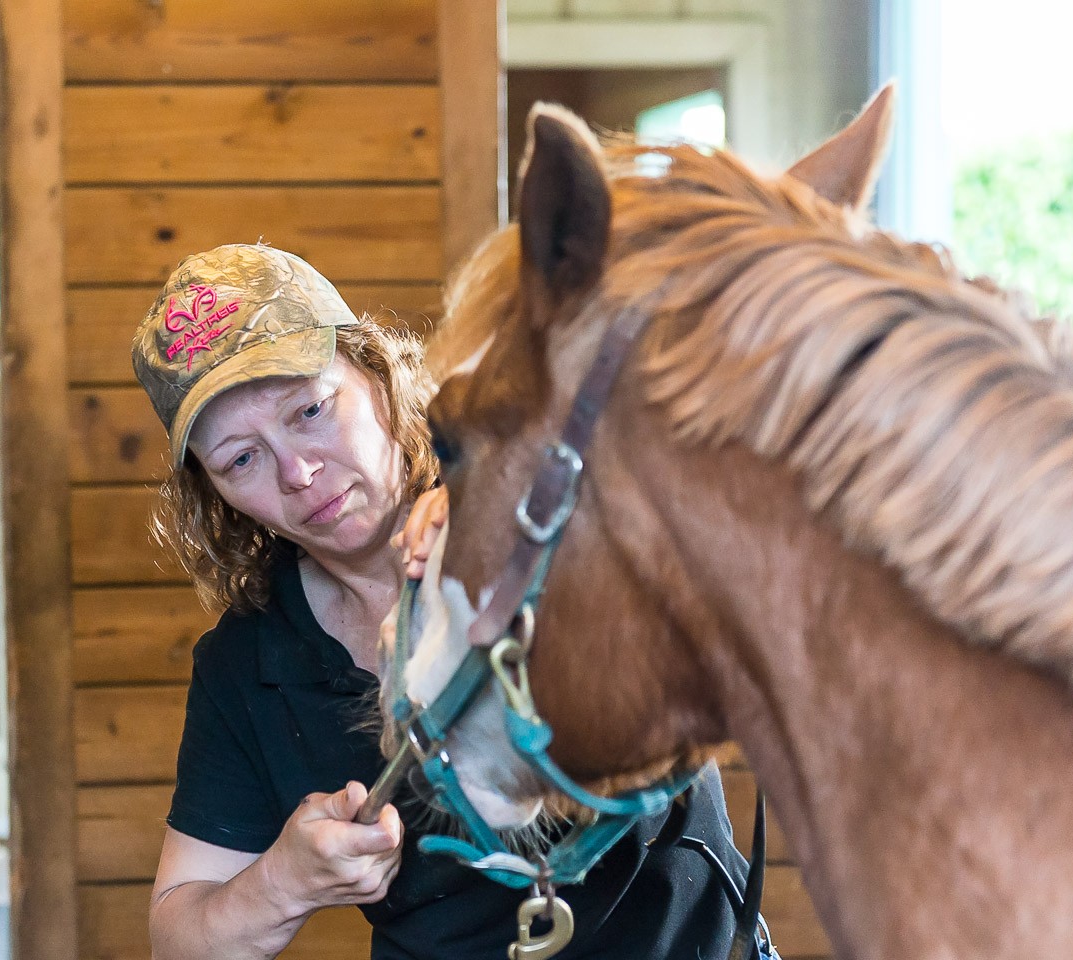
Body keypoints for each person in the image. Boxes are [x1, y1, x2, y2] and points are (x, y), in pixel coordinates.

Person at [133, 244, 764, 960]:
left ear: (373, 371)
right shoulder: (248, 664)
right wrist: (285, 881)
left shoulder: (546, 483)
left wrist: (504, 507)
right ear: (211, 493)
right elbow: (177, 940)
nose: (300, 473)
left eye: (310, 409)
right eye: (241, 459)